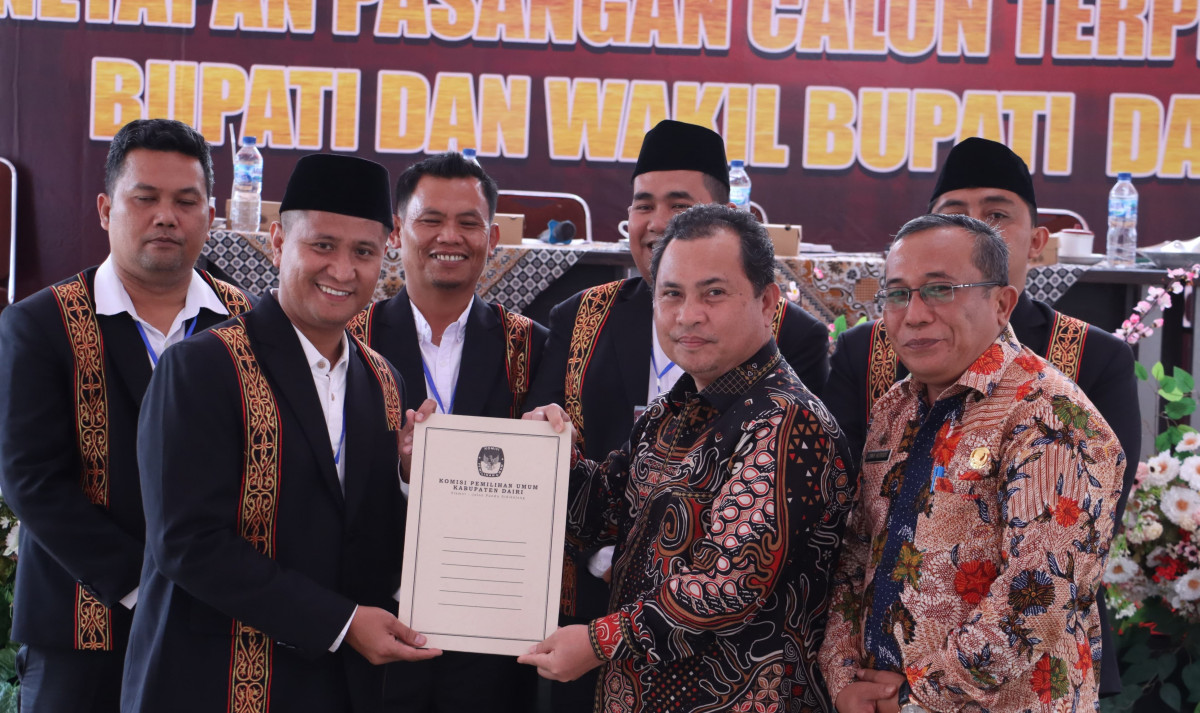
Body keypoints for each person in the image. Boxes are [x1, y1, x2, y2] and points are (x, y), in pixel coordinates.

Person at [524, 119, 832, 711]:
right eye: (672, 293)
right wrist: (548, 454)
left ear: (767, 301)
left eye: (713, 293)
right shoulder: (676, 409)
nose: (688, 315)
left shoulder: (786, 421)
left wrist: (598, 641)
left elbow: (727, 584)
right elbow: (608, 504)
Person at [121, 154, 440, 713]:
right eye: (323, 245)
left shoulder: (383, 380)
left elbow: (364, 537)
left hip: (336, 689)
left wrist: (409, 480)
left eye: (364, 252)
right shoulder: (203, 366)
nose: (343, 270)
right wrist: (341, 623)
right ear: (277, 241)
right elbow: (187, 542)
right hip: (214, 680)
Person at [823, 137, 1138, 693]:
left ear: (1001, 303)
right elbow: (853, 554)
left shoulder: (1052, 415)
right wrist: (845, 677)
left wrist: (916, 697)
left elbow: (1036, 598)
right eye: (898, 294)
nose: (914, 315)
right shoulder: (896, 407)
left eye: (941, 290)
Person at [0, 118, 253, 712]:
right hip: (81, 627)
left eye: (186, 201)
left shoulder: (249, 324)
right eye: (145, 198)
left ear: (210, 215)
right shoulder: (41, 324)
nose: (166, 217)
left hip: (221, 625)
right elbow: (31, 480)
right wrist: (147, 587)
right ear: (105, 208)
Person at [348, 152, 546, 712]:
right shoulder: (351, 340)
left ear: (493, 236)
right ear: (396, 232)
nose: (449, 237)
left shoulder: (532, 345)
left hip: (493, 630)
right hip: (375, 619)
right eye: (430, 220)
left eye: (468, 222)